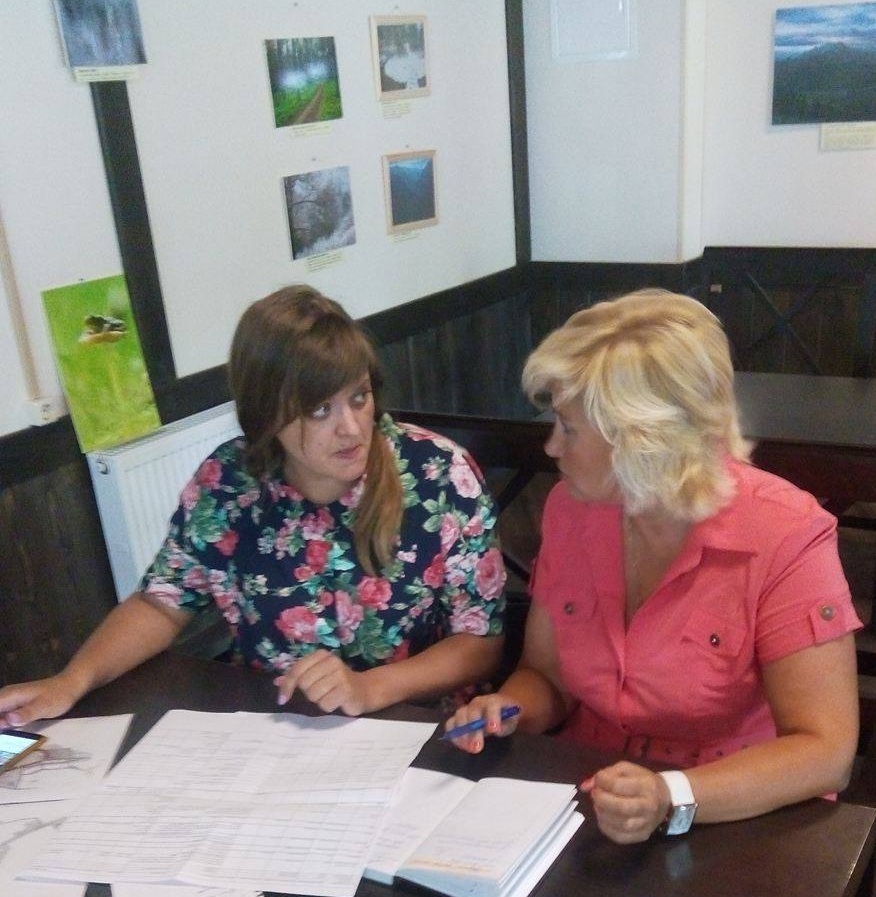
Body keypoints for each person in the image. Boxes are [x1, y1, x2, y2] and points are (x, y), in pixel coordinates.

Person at [446, 289, 861, 843]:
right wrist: (508, 708)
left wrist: (671, 795)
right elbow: (547, 677)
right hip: (585, 790)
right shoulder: (571, 508)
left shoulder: (786, 534)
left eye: (568, 428)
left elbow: (826, 752)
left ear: (642, 443)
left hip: (734, 808)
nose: (551, 447)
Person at [0, 286, 505, 724]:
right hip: (275, 731)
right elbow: (162, 602)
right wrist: (73, 680)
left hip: (415, 725)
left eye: (359, 397)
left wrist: (370, 688)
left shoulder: (438, 474)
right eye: (320, 409)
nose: (351, 428)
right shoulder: (229, 482)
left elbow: (480, 643)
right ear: (267, 415)